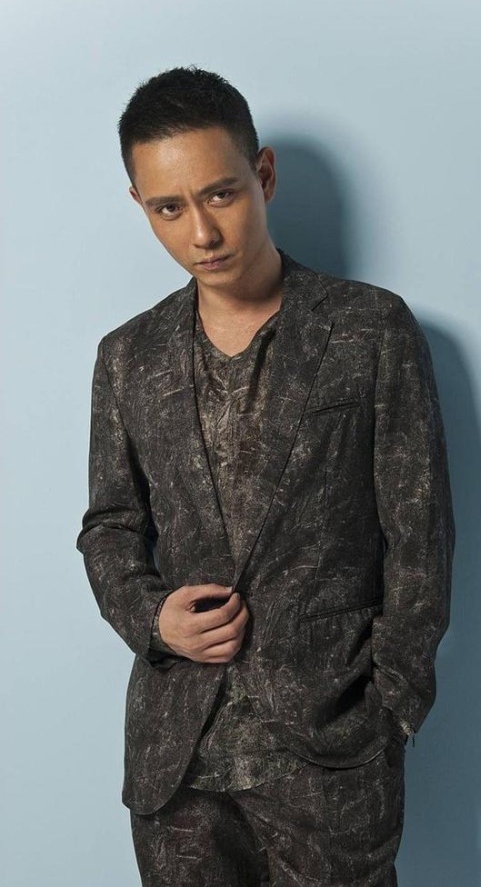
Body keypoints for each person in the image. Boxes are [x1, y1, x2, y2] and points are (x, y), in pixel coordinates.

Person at [76, 65, 456, 887]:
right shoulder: (126, 357)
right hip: (179, 763)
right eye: (168, 208)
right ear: (140, 205)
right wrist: (153, 618)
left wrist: (392, 708)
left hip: (330, 753)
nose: (201, 232)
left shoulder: (371, 330)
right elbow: (109, 526)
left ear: (265, 175)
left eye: (221, 194)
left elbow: (419, 536)